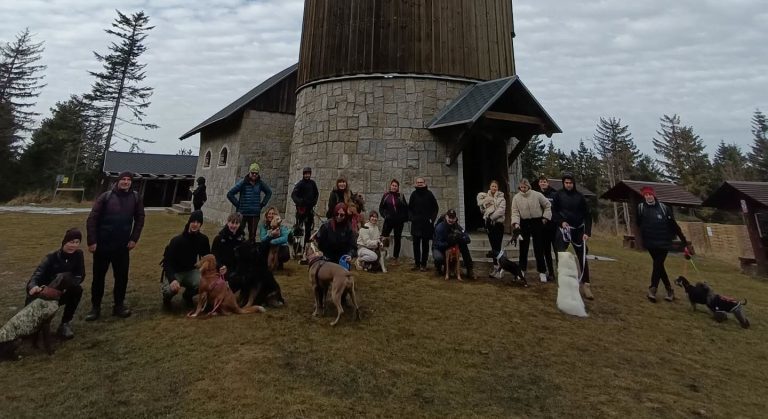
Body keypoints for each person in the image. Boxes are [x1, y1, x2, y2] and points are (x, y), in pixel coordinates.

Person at [85, 171, 145, 320]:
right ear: (117, 181)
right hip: (103, 245)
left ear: (131, 182)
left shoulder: (135, 198)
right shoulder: (106, 197)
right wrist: (92, 241)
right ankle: (95, 308)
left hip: (122, 246)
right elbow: (92, 219)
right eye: (123, 179)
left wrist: (134, 238)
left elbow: (140, 219)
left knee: (121, 278)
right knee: (98, 278)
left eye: (128, 180)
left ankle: (119, 305)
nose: (125, 182)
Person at [25, 228, 85, 339]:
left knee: (77, 290)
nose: (74, 245)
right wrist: (33, 287)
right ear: (64, 242)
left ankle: (65, 324)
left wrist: (68, 284)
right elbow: (36, 276)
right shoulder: (51, 257)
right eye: (71, 242)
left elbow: (80, 275)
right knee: (29, 333)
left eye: (77, 242)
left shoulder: (78, 255)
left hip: (61, 293)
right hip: (44, 294)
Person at [636, 186, 688, 302]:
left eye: (650, 194)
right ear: (644, 196)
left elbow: (674, 225)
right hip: (650, 241)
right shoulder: (640, 208)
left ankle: (653, 289)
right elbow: (639, 223)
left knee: (657, 264)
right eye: (646, 195)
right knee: (659, 265)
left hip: (664, 242)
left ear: (653, 195)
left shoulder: (664, 208)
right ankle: (670, 290)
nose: (648, 197)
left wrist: (684, 241)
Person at [552, 173, 593, 299]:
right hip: (564, 229)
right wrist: (561, 222)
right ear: (563, 183)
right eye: (566, 183)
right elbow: (553, 211)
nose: (568, 185)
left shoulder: (580, 197)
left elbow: (588, 215)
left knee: (582, 256)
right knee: (561, 254)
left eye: (570, 183)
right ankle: (563, 281)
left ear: (573, 183)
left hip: (578, 230)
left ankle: (586, 284)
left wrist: (587, 232)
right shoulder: (558, 195)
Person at [161, 210, 211, 309]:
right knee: (170, 290)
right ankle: (166, 299)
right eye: (193, 221)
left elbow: (207, 258)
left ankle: (187, 296)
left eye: (198, 222)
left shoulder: (203, 240)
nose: (195, 224)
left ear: (200, 224)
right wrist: (172, 279)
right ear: (189, 222)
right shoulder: (177, 241)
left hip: (191, 271)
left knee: (204, 283)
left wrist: (204, 269)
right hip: (175, 272)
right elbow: (167, 262)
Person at [510, 178, 552, 283]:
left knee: (539, 247)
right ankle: (522, 270)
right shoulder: (516, 198)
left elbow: (547, 205)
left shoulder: (537, 195)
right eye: (521, 187)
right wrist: (516, 224)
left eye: (525, 187)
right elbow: (515, 212)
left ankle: (542, 271)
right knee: (523, 248)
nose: (523, 189)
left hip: (537, 222)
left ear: (529, 186)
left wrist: (545, 218)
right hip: (524, 223)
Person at [227, 162, 272, 241]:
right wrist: (238, 205)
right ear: (249, 172)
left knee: (252, 235)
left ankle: (251, 250)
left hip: (254, 213)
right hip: (242, 213)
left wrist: (262, 204)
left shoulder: (260, 183)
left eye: (256, 173)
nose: (254, 175)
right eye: (252, 173)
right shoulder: (243, 183)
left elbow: (269, 192)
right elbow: (230, 194)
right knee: (238, 233)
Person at [432, 209, 476, 279]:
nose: (451, 219)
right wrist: (448, 243)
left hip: (451, 247)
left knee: (463, 245)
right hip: (439, 248)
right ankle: (438, 268)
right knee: (438, 257)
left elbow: (467, 239)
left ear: (455, 218)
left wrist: (461, 238)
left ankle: (469, 269)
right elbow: (438, 244)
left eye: (453, 218)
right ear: (446, 217)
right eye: (449, 217)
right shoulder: (440, 227)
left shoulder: (457, 226)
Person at [476, 180, 507, 277]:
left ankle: (501, 267)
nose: (494, 188)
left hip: (497, 225)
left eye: (495, 186)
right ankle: (495, 267)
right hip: (489, 225)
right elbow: (482, 210)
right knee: (493, 247)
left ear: (498, 188)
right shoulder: (485, 197)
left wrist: (490, 217)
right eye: (492, 186)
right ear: (490, 187)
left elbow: (501, 211)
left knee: (497, 246)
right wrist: (482, 208)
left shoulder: (502, 199)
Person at [408, 177, 439, 272]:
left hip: (426, 225)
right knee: (416, 245)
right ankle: (417, 264)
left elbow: (435, 208)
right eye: (418, 182)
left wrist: (432, 220)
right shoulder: (413, 194)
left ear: (424, 183)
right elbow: (409, 209)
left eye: (421, 182)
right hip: (416, 224)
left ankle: (424, 265)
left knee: (425, 245)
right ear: (415, 184)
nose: (419, 184)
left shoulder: (429, 194)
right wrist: (412, 218)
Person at [378, 179, 409, 264]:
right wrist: (385, 215)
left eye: (396, 186)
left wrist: (403, 218)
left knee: (397, 239)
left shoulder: (401, 196)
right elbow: (381, 208)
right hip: (388, 221)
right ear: (390, 186)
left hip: (398, 222)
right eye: (393, 185)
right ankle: (382, 255)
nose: (394, 187)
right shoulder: (386, 195)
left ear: (398, 187)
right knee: (383, 238)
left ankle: (395, 258)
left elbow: (406, 208)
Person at [211, 213, 246, 282]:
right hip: (221, 267)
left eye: (237, 223)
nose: (234, 225)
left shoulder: (242, 240)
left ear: (239, 224)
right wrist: (220, 266)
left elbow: (242, 257)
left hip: (234, 268)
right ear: (228, 222)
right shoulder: (219, 238)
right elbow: (214, 255)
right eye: (232, 223)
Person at [290, 166, 319, 250]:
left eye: (308, 174)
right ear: (303, 174)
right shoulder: (300, 184)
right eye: (305, 174)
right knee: (298, 230)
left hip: (309, 210)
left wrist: (314, 202)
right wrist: (300, 202)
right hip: (301, 211)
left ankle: (306, 248)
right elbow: (293, 195)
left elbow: (316, 194)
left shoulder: (312, 183)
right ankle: (296, 248)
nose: (307, 175)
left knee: (308, 230)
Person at [537, 175, 558, 281]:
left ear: (547, 183)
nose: (543, 183)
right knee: (546, 252)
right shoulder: (537, 195)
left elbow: (557, 209)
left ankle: (561, 272)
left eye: (544, 181)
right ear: (539, 183)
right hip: (543, 227)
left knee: (557, 251)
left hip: (553, 227)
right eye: (541, 182)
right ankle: (551, 273)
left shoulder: (554, 194)